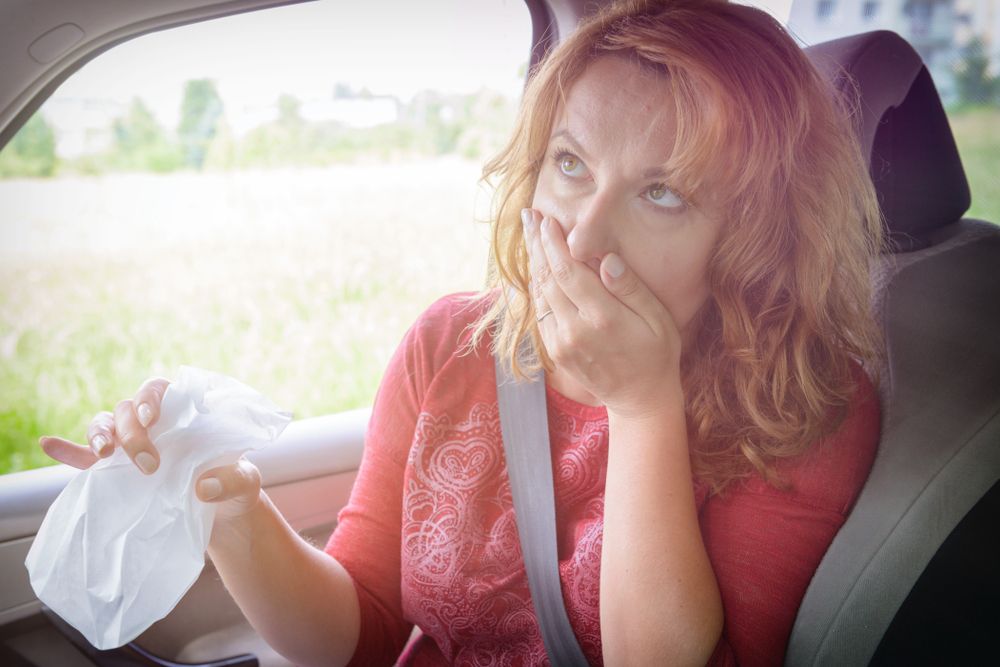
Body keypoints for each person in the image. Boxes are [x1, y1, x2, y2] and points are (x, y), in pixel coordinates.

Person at [41, 0, 886, 664]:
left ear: (749, 235)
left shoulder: (804, 410)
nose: (584, 237)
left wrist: (641, 407)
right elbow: (362, 630)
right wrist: (224, 507)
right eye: (571, 164)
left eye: (662, 193)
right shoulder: (450, 343)